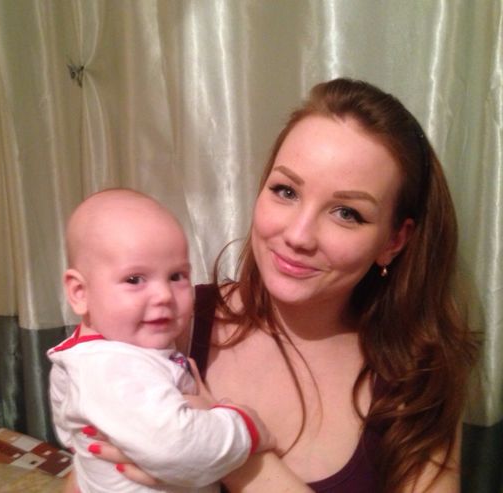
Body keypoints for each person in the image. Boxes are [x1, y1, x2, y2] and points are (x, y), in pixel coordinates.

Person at [85, 79, 478, 492]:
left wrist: (236, 457)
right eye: (286, 191)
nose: (298, 235)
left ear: (394, 241)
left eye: (347, 213)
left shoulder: (420, 378)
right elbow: (85, 475)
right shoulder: (165, 317)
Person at [48, 188, 275, 493]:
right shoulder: (110, 366)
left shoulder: (94, 354)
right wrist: (246, 429)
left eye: (176, 276)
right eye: (134, 279)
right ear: (80, 292)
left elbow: (70, 432)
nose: (164, 295)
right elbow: (177, 448)